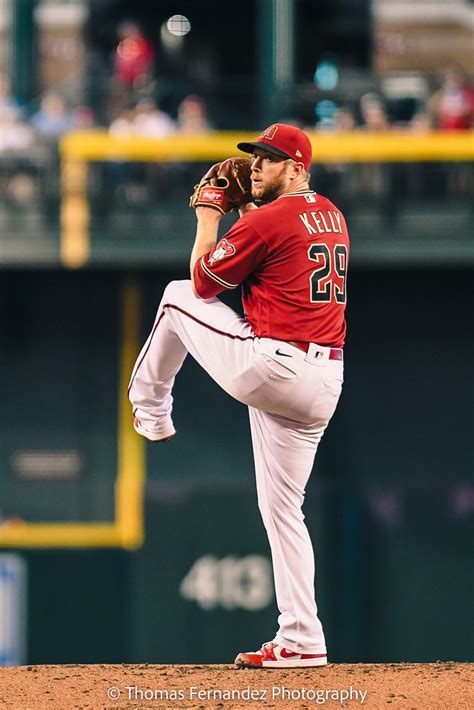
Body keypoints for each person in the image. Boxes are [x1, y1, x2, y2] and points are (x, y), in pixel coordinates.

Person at [128, 124, 349, 668]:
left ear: (297, 169)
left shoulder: (269, 218)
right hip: (324, 383)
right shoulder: (332, 214)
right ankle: (302, 640)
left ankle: (151, 410)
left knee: (177, 297)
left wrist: (208, 213)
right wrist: (247, 213)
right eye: (256, 157)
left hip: (275, 366)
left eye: (271, 160)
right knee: (282, 512)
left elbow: (204, 281)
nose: (256, 167)